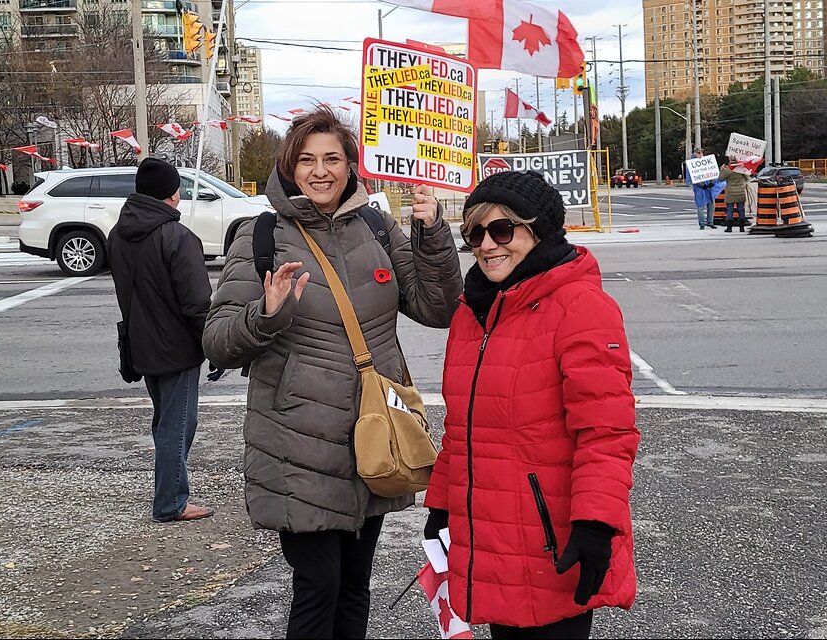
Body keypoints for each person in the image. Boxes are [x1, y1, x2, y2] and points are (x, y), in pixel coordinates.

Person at [203, 107, 463, 639]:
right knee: (318, 585)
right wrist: (267, 315)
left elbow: (438, 308)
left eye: (332, 159)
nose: (320, 171)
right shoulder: (262, 236)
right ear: (288, 166)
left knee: (353, 586)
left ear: (350, 166)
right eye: (307, 160)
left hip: (374, 435)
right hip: (298, 442)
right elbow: (217, 342)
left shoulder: (376, 226)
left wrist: (432, 232)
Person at [424, 170, 640, 640]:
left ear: (538, 230)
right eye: (475, 232)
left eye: (502, 230)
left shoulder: (580, 305)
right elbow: (462, 426)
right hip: (489, 531)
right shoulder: (472, 310)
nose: (487, 245)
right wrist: (441, 504)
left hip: (553, 537)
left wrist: (596, 524)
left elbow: (606, 431)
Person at [109, 156, 215, 523]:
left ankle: (168, 491)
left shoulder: (118, 234)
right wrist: (213, 345)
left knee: (165, 420)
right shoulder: (178, 237)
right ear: (172, 195)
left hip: (140, 343)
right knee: (178, 424)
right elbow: (198, 303)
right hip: (177, 348)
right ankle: (171, 501)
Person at [684, 149, 719, 229]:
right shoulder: (691, 164)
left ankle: (710, 222)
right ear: (694, 153)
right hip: (699, 188)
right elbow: (692, 176)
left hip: (709, 187)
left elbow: (712, 171)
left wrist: (712, 182)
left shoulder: (706, 161)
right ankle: (702, 223)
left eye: (702, 152)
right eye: (698, 153)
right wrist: (701, 184)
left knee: (711, 205)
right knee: (700, 205)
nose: (700, 154)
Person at [718, 160, 751, 232]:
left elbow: (720, 179)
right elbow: (748, 178)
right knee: (741, 209)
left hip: (730, 192)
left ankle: (729, 227)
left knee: (730, 209)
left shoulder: (727, 170)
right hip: (740, 192)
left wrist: (721, 170)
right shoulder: (741, 169)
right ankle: (741, 227)